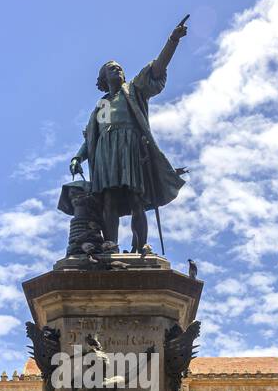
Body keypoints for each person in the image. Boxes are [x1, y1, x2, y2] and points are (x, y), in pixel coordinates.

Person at [70, 18, 189, 255]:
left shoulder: (133, 90)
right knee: (109, 201)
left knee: (137, 199)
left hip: (131, 146)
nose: (118, 70)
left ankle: (140, 245)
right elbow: (92, 137)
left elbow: (157, 68)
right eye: (112, 68)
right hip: (106, 152)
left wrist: (172, 41)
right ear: (104, 78)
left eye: (120, 67)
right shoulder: (102, 105)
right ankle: (110, 244)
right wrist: (78, 157)